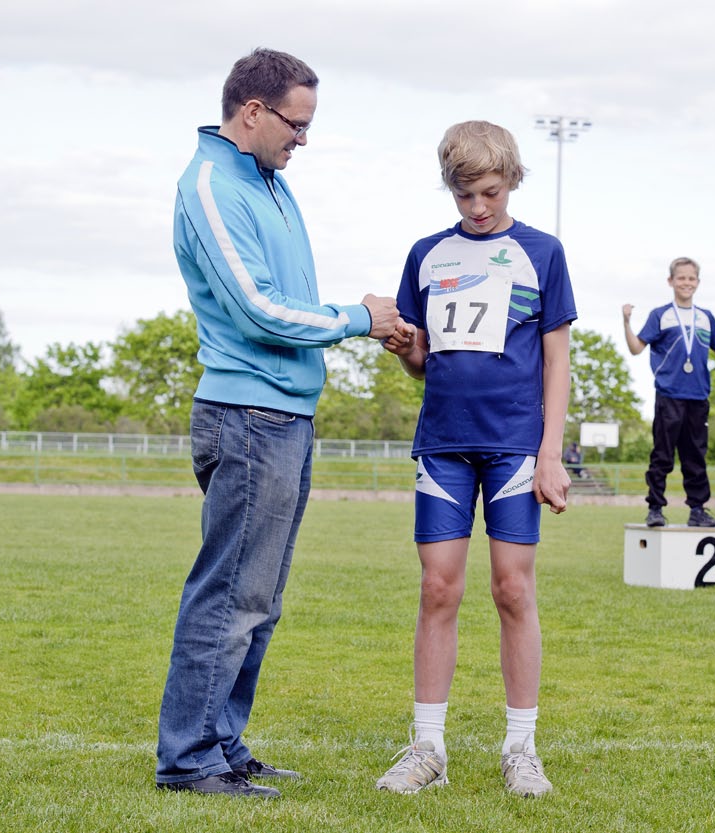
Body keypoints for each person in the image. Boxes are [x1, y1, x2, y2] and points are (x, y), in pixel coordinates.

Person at [155, 48, 400, 799]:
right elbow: (257, 309)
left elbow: (284, 299)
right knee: (229, 593)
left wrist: (357, 322)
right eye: (296, 124)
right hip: (247, 413)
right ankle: (190, 757)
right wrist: (358, 318)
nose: (304, 139)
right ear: (252, 111)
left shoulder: (265, 180)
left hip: (285, 413)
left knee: (260, 599)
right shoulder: (209, 185)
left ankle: (222, 742)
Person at [376, 120, 576, 798]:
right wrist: (404, 348)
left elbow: (556, 359)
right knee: (437, 588)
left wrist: (550, 452)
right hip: (443, 442)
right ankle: (426, 746)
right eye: (464, 196)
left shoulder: (541, 252)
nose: (477, 208)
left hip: (516, 445)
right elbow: (421, 362)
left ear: (511, 180)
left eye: (488, 192)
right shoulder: (426, 255)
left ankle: (520, 746)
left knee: (512, 589)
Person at [622, 258, 715, 528]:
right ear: (670, 281)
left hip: (698, 397)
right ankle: (655, 508)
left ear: (698, 283)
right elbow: (636, 348)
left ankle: (698, 510)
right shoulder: (661, 315)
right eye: (681, 278)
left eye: (691, 279)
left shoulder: (705, 317)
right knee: (662, 455)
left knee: (696, 457)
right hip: (669, 395)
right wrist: (626, 321)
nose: (686, 283)